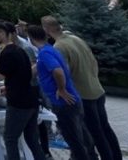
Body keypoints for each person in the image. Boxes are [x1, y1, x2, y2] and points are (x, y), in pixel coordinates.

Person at [42, 16, 122, 160]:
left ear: (46, 30)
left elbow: (62, 72)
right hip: (96, 89)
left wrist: (62, 90)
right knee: (105, 128)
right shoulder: (76, 39)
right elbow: (93, 61)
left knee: (95, 132)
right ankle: (116, 156)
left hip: (82, 93)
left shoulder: (59, 47)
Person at [28, 25, 95, 160]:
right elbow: (37, 70)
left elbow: (57, 71)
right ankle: (92, 156)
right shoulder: (50, 50)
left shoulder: (44, 53)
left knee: (73, 138)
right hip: (72, 99)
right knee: (82, 133)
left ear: (31, 38)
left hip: (64, 101)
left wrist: (61, 89)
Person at [0, 21, 46, 160]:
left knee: (10, 138)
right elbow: (21, 75)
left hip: (19, 102)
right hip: (31, 99)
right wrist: (8, 86)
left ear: (3, 34)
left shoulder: (8, 52)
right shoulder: (19, 50)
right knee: (32, 138)